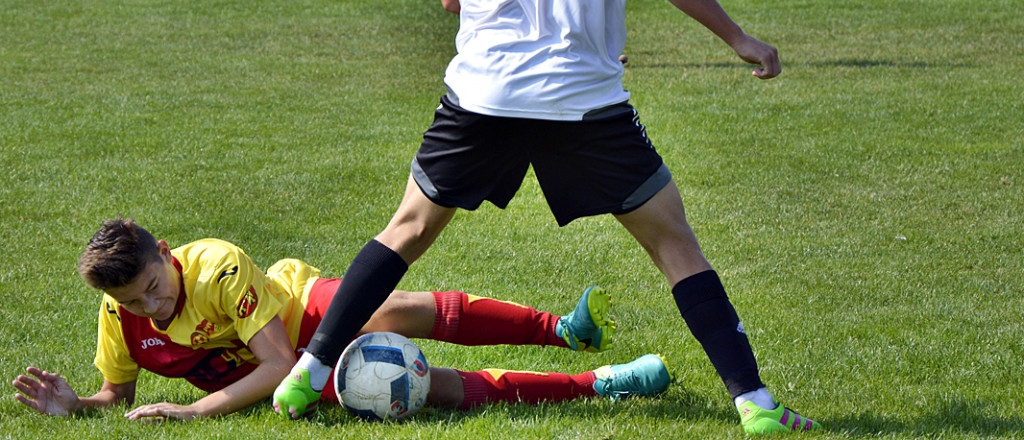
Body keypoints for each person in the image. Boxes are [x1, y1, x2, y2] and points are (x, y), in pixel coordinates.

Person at [274, 0, 819, 435]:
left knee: (407, 229)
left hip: (483, 95)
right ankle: (755, 404)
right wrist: (738, 38)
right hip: (581, 102)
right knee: (674, 243)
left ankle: (309, 371)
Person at [12, 218, 668, 422]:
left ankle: (562, 329)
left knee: (392, 309)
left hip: (296, 315)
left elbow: (277, 363)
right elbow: (117, 395)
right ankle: (600, 383)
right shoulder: (120, 316)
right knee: (430, 389)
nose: (150, 309)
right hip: (288, 376)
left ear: (165, 253)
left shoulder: (216, 266)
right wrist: (80, 405)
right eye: (134, 303)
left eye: (154, 289)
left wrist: (193, 412)